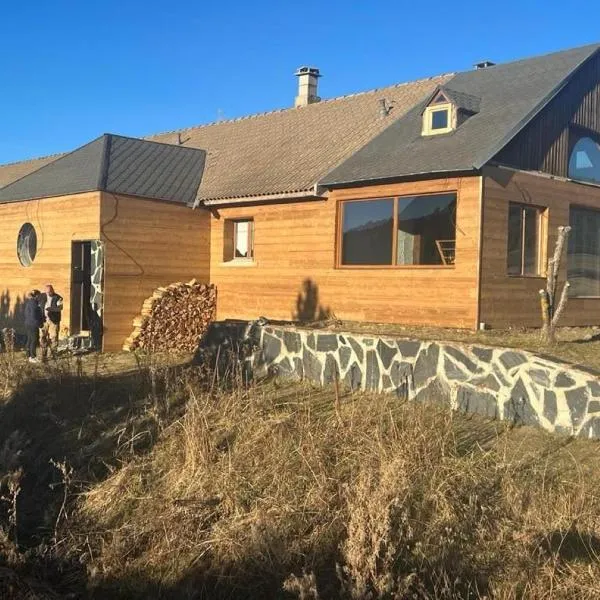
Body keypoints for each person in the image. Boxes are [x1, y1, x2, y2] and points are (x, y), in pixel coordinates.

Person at [40, 284, 63, 360]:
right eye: (46, 292)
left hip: (54, 320)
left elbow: (60, 308)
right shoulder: (42, 296)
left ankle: (53, 354)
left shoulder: (58, 297)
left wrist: (51, 309)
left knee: (54, 337)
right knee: (42, 336)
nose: (48, 293)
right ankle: (44, 354)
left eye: (49, 292)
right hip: (44, 319)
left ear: (52, 290)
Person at [24, 290, 43, 363]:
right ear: (36, 295)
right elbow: (34, 315)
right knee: (34, 340)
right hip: (33, 324)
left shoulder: (30, 302)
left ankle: (28, 355)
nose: (40, 297)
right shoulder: (34, 303)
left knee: (29, 339)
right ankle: (32, 357)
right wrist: (39, 324)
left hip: (28, 323)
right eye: (39, 295)